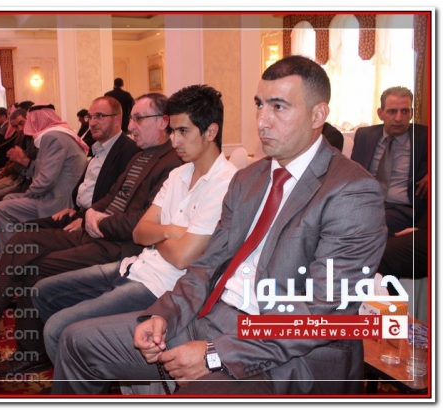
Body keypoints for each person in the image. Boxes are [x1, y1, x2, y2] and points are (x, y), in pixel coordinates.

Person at [50, 55, 388, 395]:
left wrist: (216, 354)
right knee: (77, 341)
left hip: (288, 356)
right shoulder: (249, 179)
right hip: (212, 318)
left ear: (317, 115)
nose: (262, 121)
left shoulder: (352, 191)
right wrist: (163, 315)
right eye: (259, 105)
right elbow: (206, 265)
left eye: (279, 107)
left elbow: (321, 312)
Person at [0, 93, 182, 376]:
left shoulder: (171, 163)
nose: (131, 126)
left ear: (163, 122)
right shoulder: (141, 155)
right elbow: (109, 197)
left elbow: (143, 221)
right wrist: (88, 215)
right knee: (22, 241)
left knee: (32, 268)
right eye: (131, 118)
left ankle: (30, 353)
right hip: (94, 231)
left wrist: (99, 222)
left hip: (118, 246)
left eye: (138, 119)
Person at [33, 84, 237, 365]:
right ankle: (86, 368)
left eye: (182, 131)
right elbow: (141, 232)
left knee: (58, 328)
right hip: (136, 264)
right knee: (42, 292)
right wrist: (170, 231)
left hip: (161, 287)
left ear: (211, 132)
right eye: (172, 130)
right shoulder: (178, 173)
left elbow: (181, 257)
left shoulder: (226, 184)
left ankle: (82, 369)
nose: (174, 140)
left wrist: (157, 235)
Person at [0, 102, 89, 256]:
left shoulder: (53, 137)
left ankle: (10, 257)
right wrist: (25, 162)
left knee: (0, 209)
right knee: (8, 198)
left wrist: (28, 194)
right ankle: (22, 251)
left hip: (59, 201)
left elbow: (46, 180)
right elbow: (42, 171)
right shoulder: (54, 135)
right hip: (52, 194)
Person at [351, 86, 428, 236]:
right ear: (380, 113)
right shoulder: (364, 135)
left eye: (405, 111)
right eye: (392, 111)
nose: (398, 118)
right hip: (364, 204)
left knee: (363, 226)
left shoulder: (426, 136)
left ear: (411, 113)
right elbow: (351, 171)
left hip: (402, 209)